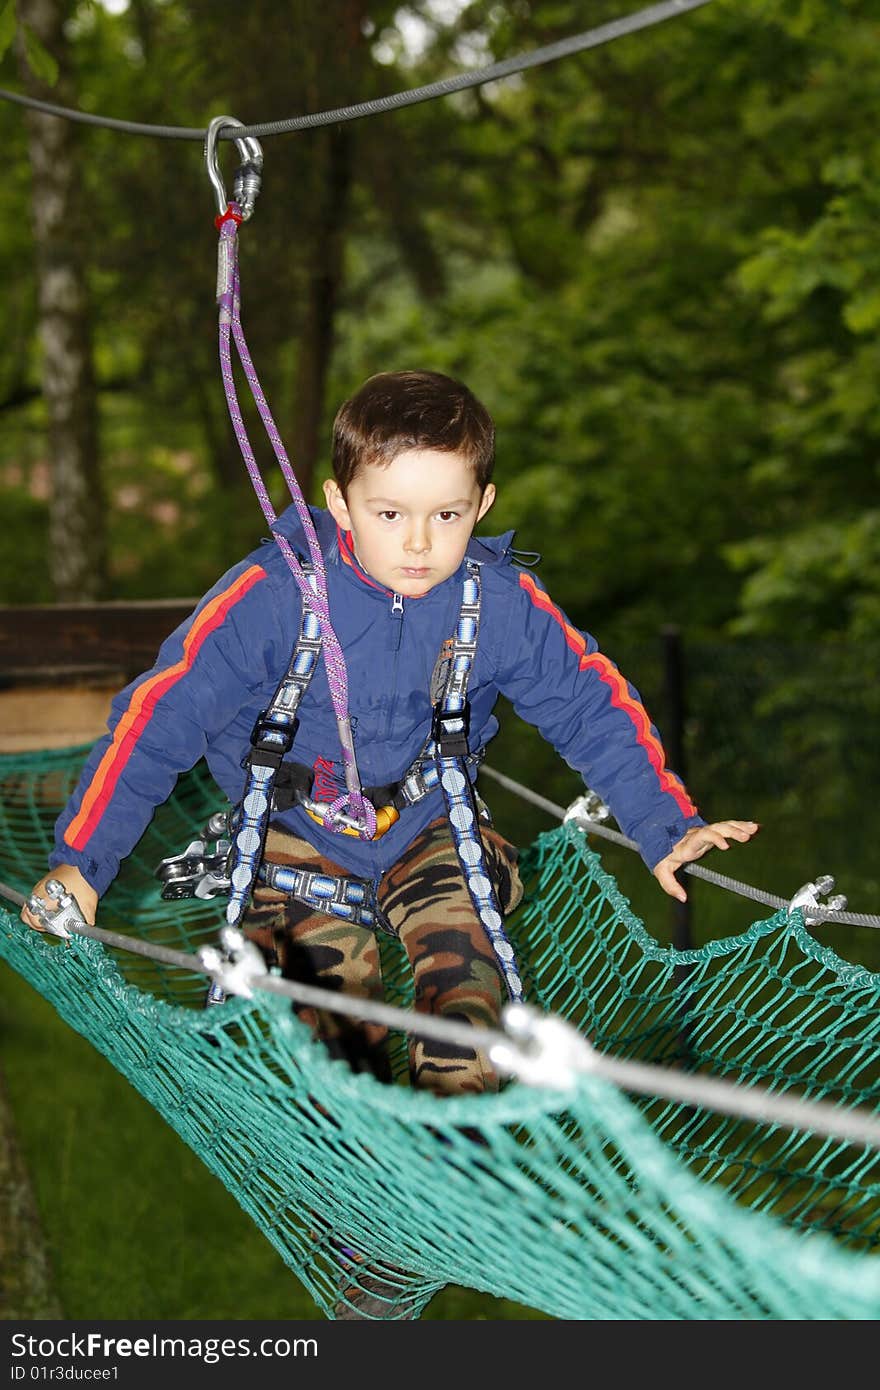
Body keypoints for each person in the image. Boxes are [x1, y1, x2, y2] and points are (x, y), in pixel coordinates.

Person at [22, 368, 758, 1098]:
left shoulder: (497, 604)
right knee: (332, 1047)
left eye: (447, 516)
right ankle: (347, 1187)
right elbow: (159, 721)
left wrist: (665, 825)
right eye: (389, 514)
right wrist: (83, 863)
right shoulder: (275, 597)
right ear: (339, 503)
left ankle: (452, 1170)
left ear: (483, 505)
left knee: (466, 1013)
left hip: (430, 825)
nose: (418, 543)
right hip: (295, 834)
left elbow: (589, 705)